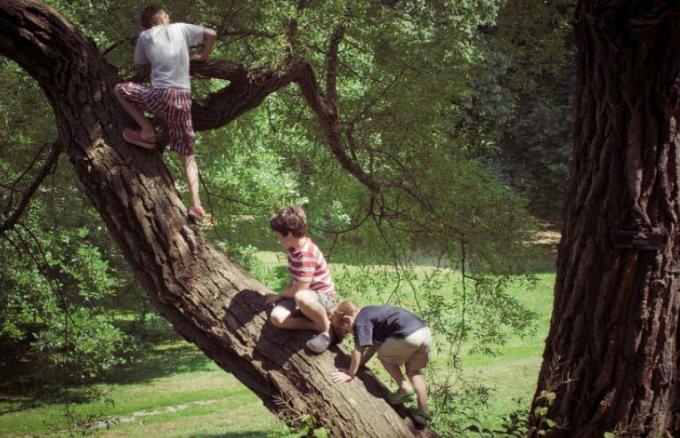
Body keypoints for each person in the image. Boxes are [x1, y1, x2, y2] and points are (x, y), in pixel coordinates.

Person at [114, 5, 216, 219]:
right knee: (187, 155)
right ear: (161, 17)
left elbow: (141, 64)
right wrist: (202, 56)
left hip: (159, 97)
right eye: (167, 14)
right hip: (182, 100)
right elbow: (211, 34)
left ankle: (146, 130)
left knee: (120, 90)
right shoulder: (181, 28)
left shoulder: (144, 36)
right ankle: (196, 204)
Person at [330, 300, 432, 425]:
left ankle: (404, 387)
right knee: (414, 371)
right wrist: (362, 363)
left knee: (384, 356)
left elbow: (358, 350)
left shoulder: (360, 322)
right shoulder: (370, 314)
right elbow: (374, 345)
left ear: (347, 320)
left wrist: (350, 374)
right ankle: (424, 412)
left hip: (407, 334)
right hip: (424, 332)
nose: (348, 333)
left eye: (345, 330)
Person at [268, 206, 337, 354]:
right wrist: (281, 295)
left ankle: (327, 329)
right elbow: (294, 277)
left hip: (322, 298)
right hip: (302, 297)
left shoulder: (306, 254)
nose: (278, 240)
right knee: (276, 318)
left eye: (279, 235)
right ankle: (315, 325)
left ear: (290, 235)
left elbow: (300, 290)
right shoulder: (293, 249)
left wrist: (281, 295)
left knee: (301, 296)